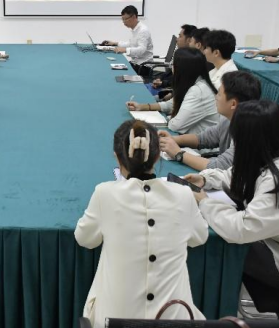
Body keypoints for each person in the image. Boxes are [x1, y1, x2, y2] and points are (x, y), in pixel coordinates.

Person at [185, 100, 279, 293]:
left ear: (251, 141)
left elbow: (240, 229)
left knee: (217, 245)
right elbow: (238, 176)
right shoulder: (272, 156)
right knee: (215, 231)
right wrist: (205, 180)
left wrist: (205, 202)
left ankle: (212, 304)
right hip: (276, 244)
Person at [75, 120, 208, 327]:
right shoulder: (183, 194)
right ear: (157, 156)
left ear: (117, 156)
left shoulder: (104, 193)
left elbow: (84, 239)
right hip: (175, 320)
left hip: (114, 321)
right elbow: (200, 237)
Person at [158, 71, 261, 170]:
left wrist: (178, 153)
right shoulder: (228, 119)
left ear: (233, 104)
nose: (215, 97)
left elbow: (219, 166)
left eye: (219, 94)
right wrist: (172, 139)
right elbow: (202, 139)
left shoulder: (249, 131)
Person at [127, 48, 218, 134]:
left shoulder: (198, 91)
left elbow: (175, 126)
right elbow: (171, 104)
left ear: (182, 69)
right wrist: (143, 107)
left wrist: (167, 118)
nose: (171, 68)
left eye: (173, 65)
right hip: (188, 135)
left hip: (196, 143)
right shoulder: (193, 81)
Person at [102, 5, 154, 77]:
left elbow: (141, 49)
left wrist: (125, 50)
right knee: (112, 67)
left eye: (125, 19)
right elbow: (131, 44)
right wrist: (115, 43)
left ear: (134, 17)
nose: (123, 22)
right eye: (122, 19)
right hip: (135, 64)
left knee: (115, 73)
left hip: (143, 67)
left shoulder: (143, 30)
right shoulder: (135, 29)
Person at [152, 24, 197, 90]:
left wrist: (162, 83)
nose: (177, 39)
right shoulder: (182, 54)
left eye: (180, 36)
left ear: (189, 40)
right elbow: (170, 73)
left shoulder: (191, 60)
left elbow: (180, 82)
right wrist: (159, 78)